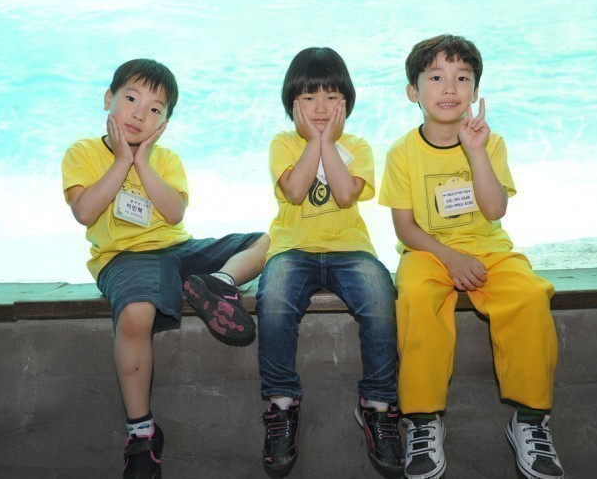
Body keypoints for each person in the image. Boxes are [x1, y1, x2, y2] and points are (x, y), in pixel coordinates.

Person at [61, 58, 269, 479]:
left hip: (178, 250)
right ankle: (141, 434)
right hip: (125, 258)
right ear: (108, 98)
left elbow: (174, 213)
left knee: (271, 239)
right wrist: (122, 160)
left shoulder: (167, 159)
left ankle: (217, 283)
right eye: (131, 99)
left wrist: (143, 161)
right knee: (136, 313)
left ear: (165, 122)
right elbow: (84, 212)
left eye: (155, 108)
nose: (140, 114)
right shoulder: (82, 152)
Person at [378, 34, 563, 479]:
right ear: (413, 91)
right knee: (416, 297)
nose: (449, 88)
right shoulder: (402, 152)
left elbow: (495, 210)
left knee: (530, 295)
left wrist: (476, 152)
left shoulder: (489, 143)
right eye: (436, 78)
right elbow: (405, 228)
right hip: (427, 251)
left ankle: (530, 420)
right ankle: (422, 420)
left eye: (462, 78)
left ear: (475, 91)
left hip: (488, 248)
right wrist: (449, 258)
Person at [257, 47, 403, 478]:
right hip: (293, 249)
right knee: (274, 297)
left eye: (331, 97)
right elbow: (296, 191)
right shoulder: (282, 143)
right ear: (292, 104)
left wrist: (328, 143)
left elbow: (343, 195)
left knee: (379, 295)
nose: (321, 107)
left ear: (347, 102)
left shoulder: (358, 146)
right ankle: (282, 403)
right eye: (309, 98)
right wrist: (314, 142)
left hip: (349, 250)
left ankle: (377, 404)